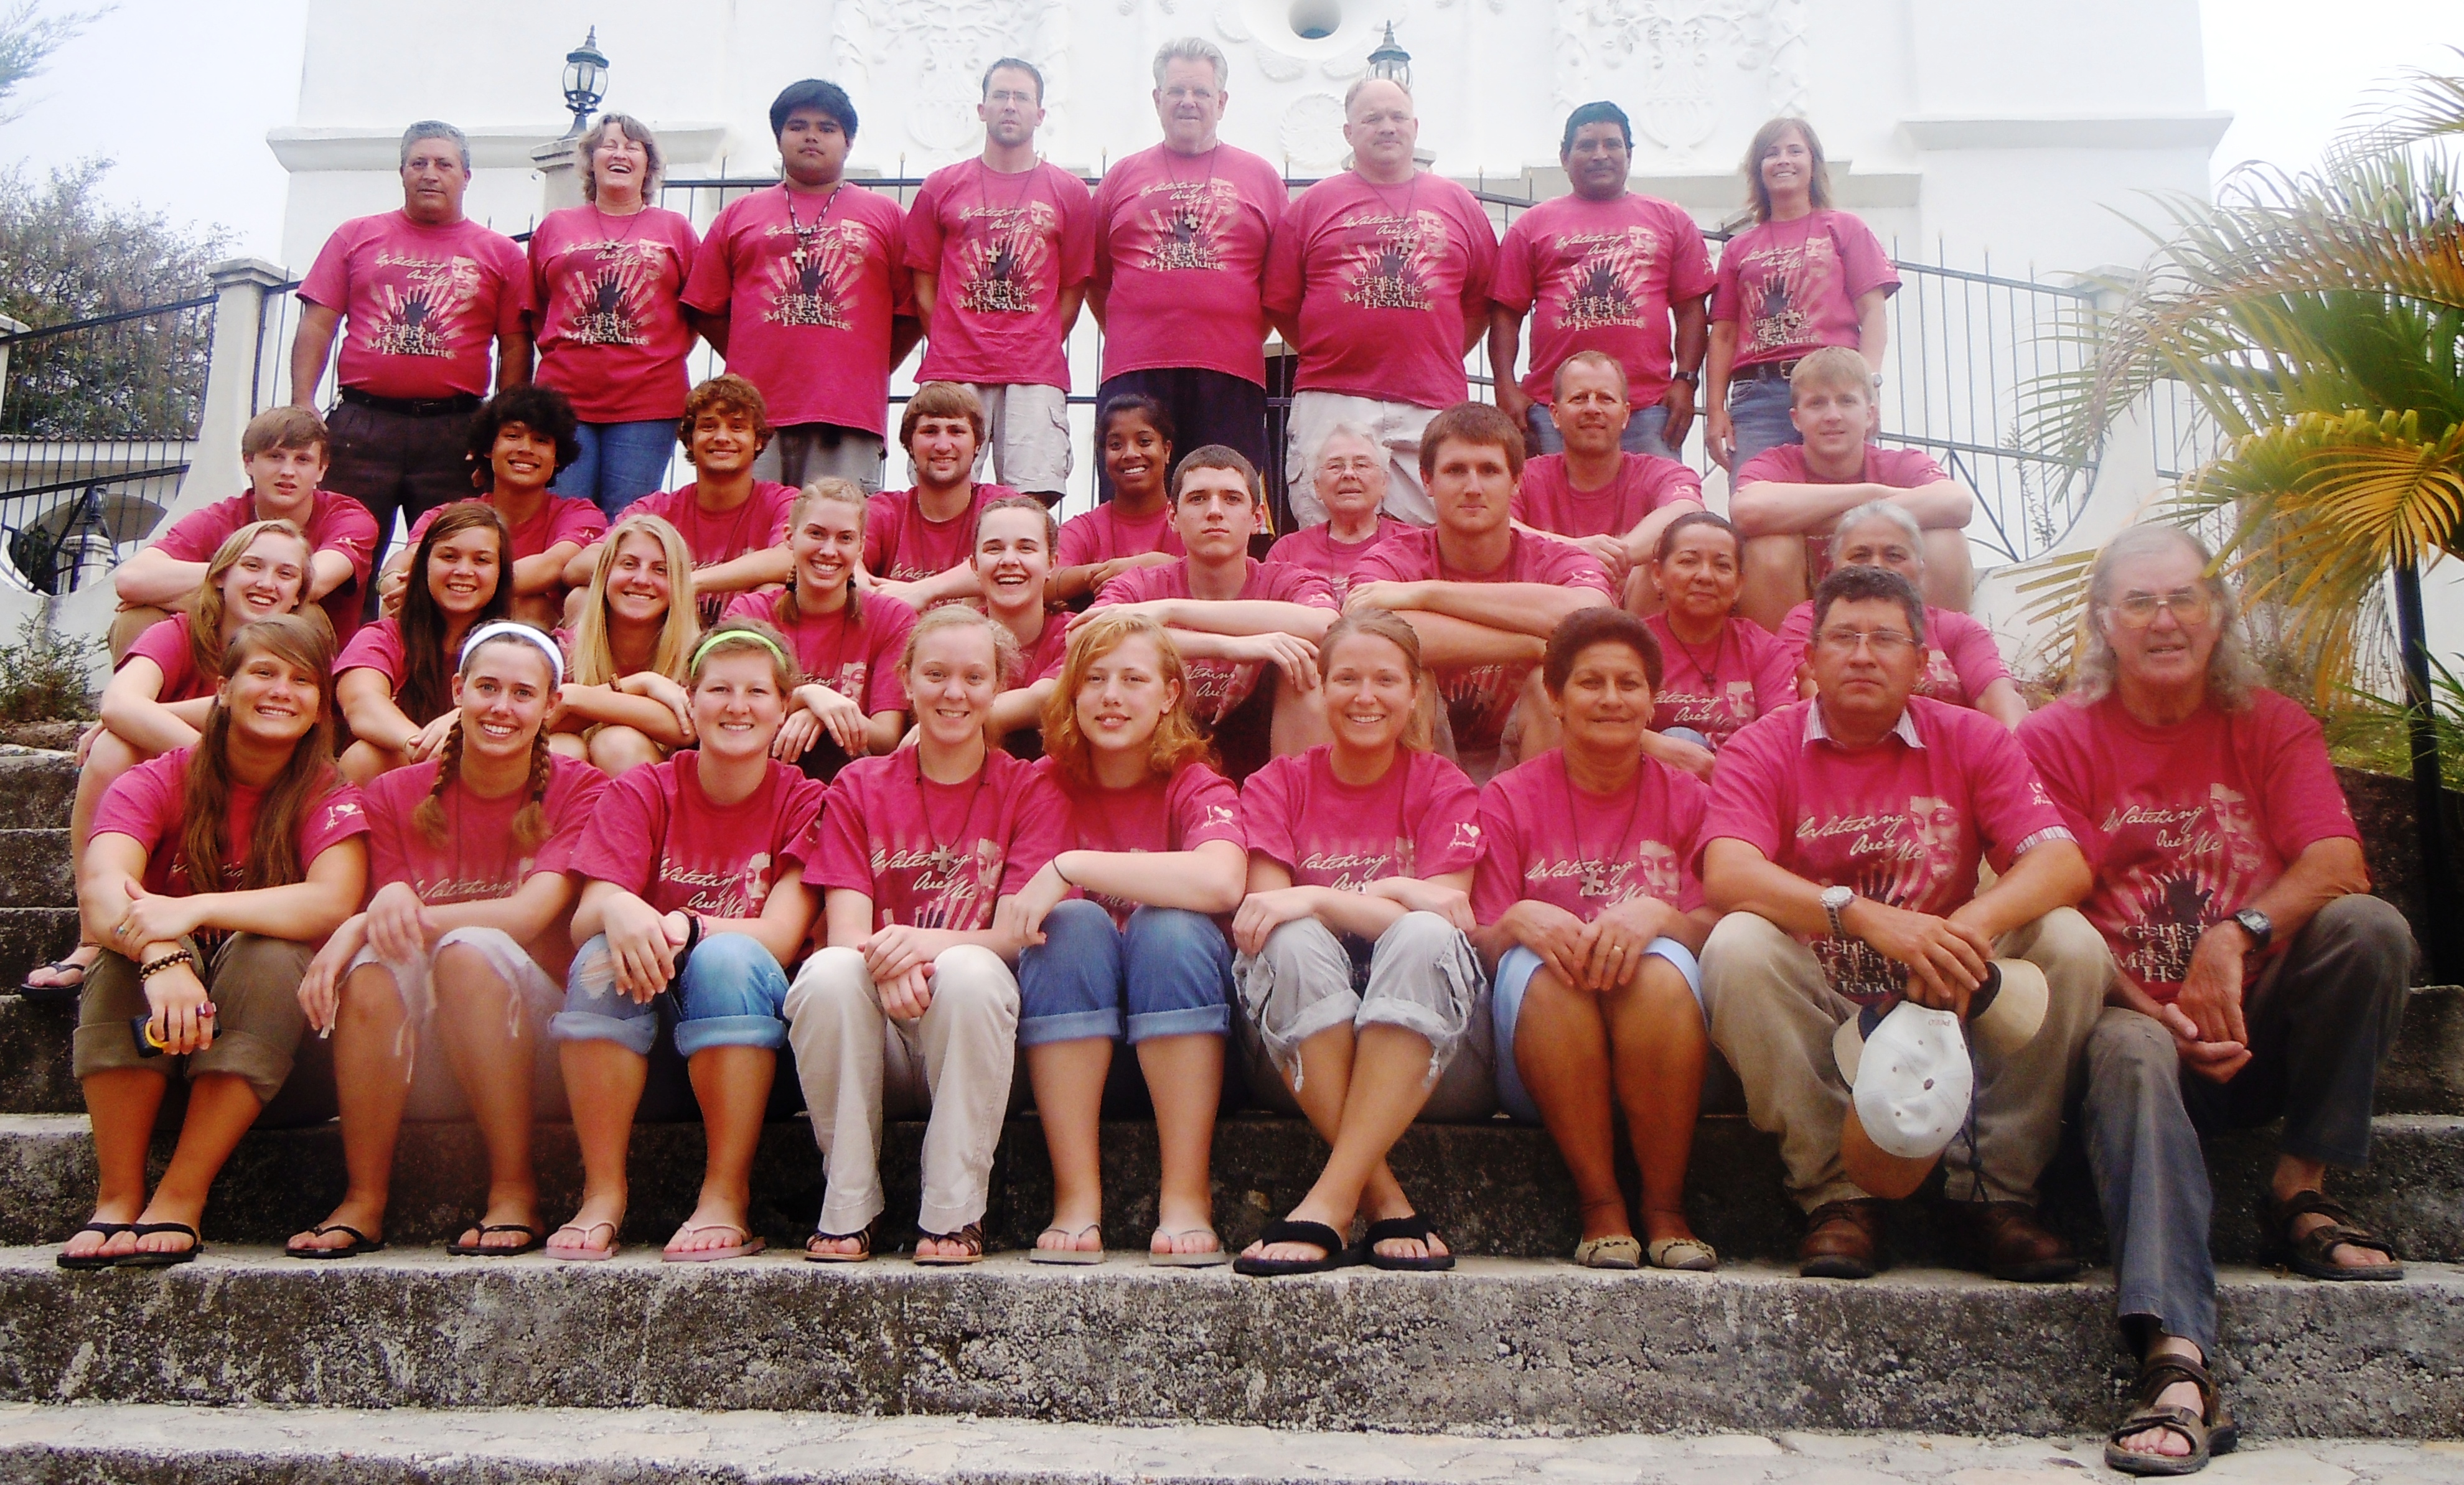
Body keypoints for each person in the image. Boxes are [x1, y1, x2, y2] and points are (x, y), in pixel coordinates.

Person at [2018, 526, 2413, 1476]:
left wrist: (2230, 937)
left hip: (2254, 1029)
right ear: (2102, 624)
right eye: (2138, 603)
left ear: (2218, 612)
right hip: (2125, 1050)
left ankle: (2297, 1191)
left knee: (2369, 928)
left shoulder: (2268, 723)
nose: (2163, 619)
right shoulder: (2053, 739)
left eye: (2183, 597)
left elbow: (2333, 860)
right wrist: (2145, 1004)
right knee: (2127, 1047)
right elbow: (2041, 897)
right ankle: (2174, 1358)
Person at [1697, 564, 2103, 1283]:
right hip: (1823, 998)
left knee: (2070, 940)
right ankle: (1838, 1193)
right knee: (1734, 945)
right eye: (1843, 637)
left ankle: (1991, 1191)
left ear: (1921, 662)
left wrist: (1966, 926)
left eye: (1885, 639)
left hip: (1947, 994)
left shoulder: (1973, 739)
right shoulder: (1761, 746)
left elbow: (2062, 863)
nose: (1862, 655)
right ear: (1808, 659)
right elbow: (1727, 871)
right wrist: (1862, 917)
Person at [56, 614, 368, 1269]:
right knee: (120, 952)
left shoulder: (326, 791)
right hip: (151, 1050)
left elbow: (332, 900)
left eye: (302, 680)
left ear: (319, 706)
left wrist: (192, 907)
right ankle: (117, 1195)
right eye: (264, 672)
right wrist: (161, 955)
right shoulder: (160, 777)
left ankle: (183, 1192)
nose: (282, 690)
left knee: (270, 949)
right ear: (223, 688)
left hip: (274, 1067)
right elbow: (103, 886)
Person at [288, 624, 608, 1259]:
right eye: (486, 687)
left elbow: (525, 914)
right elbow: (395, 931)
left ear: (550, 705)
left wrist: (355, 923)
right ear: (458, 689)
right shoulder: (392, 794)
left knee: (465, 949)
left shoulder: (581, 787)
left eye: (523, 693)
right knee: (374, 972)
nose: (501, 708)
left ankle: (514, 1187)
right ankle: (364, 1197)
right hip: (425, 1047)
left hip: (538, 1043)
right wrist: (371, 923)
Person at [787, 606, 1069, 1263]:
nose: (953, 692)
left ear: (997, 686)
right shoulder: (858, 784)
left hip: (976, 1036)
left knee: (972, 972)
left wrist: (917, 944)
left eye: (974, 676)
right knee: (826, 975)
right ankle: (850, 1205)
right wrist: (894, 959)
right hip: (878, 1036)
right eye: (936, 674)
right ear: (906, 682)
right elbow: (848, 931)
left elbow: (1014, 932)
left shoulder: (1029, 787)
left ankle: (952, 1213)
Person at [546, 619, 827, 1262]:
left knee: (726, 956)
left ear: (783, 707)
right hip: (647, 1046)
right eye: (719, 689)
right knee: (598, 957)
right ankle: (602, 1194)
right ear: (690, 701)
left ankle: (725, 1196)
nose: (736, 706)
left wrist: (689, 925)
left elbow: (782, 936)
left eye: (757, 692)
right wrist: (618, 906)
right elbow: (586, 914)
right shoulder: (643, 787)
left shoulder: (805, 798)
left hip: (761, 1049)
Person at [1230, 609, 1487, 1275]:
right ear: (1320, 687)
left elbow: (1448, 918)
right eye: (1345, 677)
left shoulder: (1443, 786)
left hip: (1431, 1051)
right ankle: (1379, 1195)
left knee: (1422, 933)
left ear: (1414, 693)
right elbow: (1263, 913)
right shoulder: (1278, 784)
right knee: (1289, 938)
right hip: (1293, 1051)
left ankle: (1328, 1200)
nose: (1364, 696)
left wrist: (1319, 896)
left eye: (1384, 680)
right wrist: (1400, 891)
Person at [1474, 609, 1720, 1270]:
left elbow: (1718, 926)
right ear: (1554, 698)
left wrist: (1659, 916)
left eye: (1629, 683)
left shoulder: (1691, 799)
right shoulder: (1506, 798)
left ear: (1651, 699)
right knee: (1545, 966)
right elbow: (1476, 935)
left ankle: (1666, 1206)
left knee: (1661, 965)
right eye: (1589, 683)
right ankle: (1600, 1203)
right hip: (1541, 1049)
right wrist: (1516, 919)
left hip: (1665, 1043)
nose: (1611, 699)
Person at [1002, 611, 1247, 1263]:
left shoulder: (1193, 780)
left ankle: (1186, 1194)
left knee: (1168, 923)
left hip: (1185, 1045)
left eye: (1133, 679)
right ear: (1072, 693)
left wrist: (1074, 865)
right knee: (1072, 924)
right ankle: (1076, 1198)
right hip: (1069, 1049)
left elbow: (1224, 882)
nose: (1111, 697)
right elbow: (1018, 920)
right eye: (1095, 679)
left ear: (1169, 694)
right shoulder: (1044, 782)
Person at [27, 523, 319, 1000]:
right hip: (175, 803)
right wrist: (209, 758)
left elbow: (294, 722)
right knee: (113, 747)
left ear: (297, 596)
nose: (267, 582)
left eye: (286, 574)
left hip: (261, 814)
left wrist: (160, 717)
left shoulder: (298, 654)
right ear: (221, 575)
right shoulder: (181, 633)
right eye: (252, 565)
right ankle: (93, 938)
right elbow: (119, 705)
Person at [291, 121, 535, 591]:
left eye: (444, 164)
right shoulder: (354, 236)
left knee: (451, 563)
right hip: (361, 426)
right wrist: (303, 402)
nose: (430, 174)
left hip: (456, 431)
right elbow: (317, 322)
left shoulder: (502, 255)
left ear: (466, 176)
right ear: (401, 172)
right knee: (343, 560)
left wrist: (500, 429)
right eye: (418, 163)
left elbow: (516, 346)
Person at [1265, 78, 1498, 526]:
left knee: (1434, 532)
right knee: (1330, 528)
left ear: (1414, 127)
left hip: (1429, 400)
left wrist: (1427, 350)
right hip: (1333, 396)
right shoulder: (1312, 205)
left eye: (1396, 117)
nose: (1386, 127)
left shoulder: (1460, 205)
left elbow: (1478, 304)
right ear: (1349, 133)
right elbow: (1280, 302)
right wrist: (1334, 347)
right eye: (1372, 118)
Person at [1344, 402, 1613, 784]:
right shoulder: (1392, 559)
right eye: (1455, 471)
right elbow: (1371, 640)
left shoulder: (1557, 558)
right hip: (1421, 746)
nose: (1473, 487)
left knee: (1547, 681)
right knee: (1404, 673)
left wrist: (1427, 595)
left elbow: (1591, 616)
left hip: (1528, 746)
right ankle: (1424, 824)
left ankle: (1538, 833)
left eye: (1489, 470)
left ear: (1516, 481)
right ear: (1427, 480)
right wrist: (1535, 645)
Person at [683, 82, 917, 493]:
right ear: (778, 139)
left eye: (826, 128)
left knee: (833, 539)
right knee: (752, 542)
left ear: (848, 142)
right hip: (750, 419)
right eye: (797, 126)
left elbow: (912, 313)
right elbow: (706, 306)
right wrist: (754, 355)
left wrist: (864, 366)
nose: (811, 136)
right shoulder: (738, 215)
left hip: (846, 415)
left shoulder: (887, 217)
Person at [1088, 37, 1285, 492]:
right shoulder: (1120, 176)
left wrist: (1229, 329)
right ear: (1158, 99)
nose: (1188, 102)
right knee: (1131, 497)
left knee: (1220, 497)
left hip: (1230, 372)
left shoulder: (1261, 178)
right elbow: (1098, 280)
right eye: (1176, 91)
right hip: (1134, 371)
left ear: (1222, 100)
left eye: (1200, 92)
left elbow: (1278, 285)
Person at [903, 59, 1095, 504]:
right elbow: (923, 283)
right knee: (940, 493)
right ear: (982, 108)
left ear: (1040, 114)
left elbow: (1073, 289)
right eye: (1000, 96)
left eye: (1022, 97)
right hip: (953, 369)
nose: (1010, 106)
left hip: (1034, 369)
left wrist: (1038, 336)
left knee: (1028, 500)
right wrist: (952, 338)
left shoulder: (1068, 192)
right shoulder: (942, 186)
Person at [1090, 446, 1339, 780]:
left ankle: (1288, 813)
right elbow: (1085, 635)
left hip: (1260, 739)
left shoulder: (1287, 580)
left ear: (1257, 518)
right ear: (1172, 517)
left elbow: (1326, 625)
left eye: (1232, 499)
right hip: (1161, 737)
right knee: (1103, 668)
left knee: (1307, 663)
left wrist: (1171, 610)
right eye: (1198, 499)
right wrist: (1229, 646)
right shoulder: (1141, 583)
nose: (1215, 512)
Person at [1489, 102, 1714, 462]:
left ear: (1629, 154)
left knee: (1662, 513)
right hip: (1554, 411)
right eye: (1587, 146)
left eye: (1612, 144)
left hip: (1647, 408)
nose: (1601, 155)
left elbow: (1692, 313)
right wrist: (1506, 388)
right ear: (1564, 157)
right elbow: (1505, 316)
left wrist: (1686, 382)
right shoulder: (1530, 226)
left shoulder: (1671, 221)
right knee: (1551, 514)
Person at [1704, 118, 1898, 477]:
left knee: (1846, 507)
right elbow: (1724, 333)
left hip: (1833, 387)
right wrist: (1715, 410)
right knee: (1758, 505)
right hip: (1758, 396)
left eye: (1795, 151)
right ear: (1757, 169)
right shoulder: (1738, 249)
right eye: (1772, 153)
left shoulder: (1845, 229)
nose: (1784, 161)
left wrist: (1868, 386)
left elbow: (1873, 312)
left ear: (1813, 163)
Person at [530, 113, 701, 517]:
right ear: (591, 159)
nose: (619, 153)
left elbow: (696, 311)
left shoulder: (675, 228)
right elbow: (539, 308)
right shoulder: (556, 225)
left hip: (647, 407)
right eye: (609, 144)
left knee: (626, 523)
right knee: (564, 519)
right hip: (564, 402)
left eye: (632, 146)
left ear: (648, 164)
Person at [109, 406, 376, 656]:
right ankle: (135, 702)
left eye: (303, 460)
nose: (288, 471)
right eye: (275, 457)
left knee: (302, 615)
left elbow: (309, 584)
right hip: (219, 648)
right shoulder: (220, 517)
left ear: (321, 470)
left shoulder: (348, 517)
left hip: (308, 667)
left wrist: (196, 594)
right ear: (248, 463)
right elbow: (131, 580)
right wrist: (245, 588)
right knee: (137, 618)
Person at [1735, 349, 1974, 627]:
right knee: (1770, 549)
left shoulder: (1901, 463)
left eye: (1846, 401)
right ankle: (1783, 666)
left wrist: (1824, 520)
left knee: (1947, 542)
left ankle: (1934, 658)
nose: (1832, 416)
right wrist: (1871, 495)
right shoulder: (1776, 463)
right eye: (1817, 404)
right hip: (1804, 611)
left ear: (1870, 415)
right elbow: (1748, 511)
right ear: (1796, 418)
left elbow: (1958, 504)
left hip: (1894, 608)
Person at [723, 479, 916, 780]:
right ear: (790, 537)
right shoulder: (750, 613)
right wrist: (808, 695)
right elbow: (735, 711)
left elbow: (886, 740)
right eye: (816, 534)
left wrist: (821, 714)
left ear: (861, 547)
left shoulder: (892, 618)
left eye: (845, 539)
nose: (829, 550)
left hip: (849, 779)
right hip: (759, 772)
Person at [1771, 500, 2024, 728]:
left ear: (1921, 569)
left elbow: (1999, 700)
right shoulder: (1807, 622)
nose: (1878, 565)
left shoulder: (1959, 629)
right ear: (1832, 568)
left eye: (1895, 555)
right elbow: (1819, 700)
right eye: (1861, 555)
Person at [568, 375, 795, 625]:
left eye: (737, 427)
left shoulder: (781, 501)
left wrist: (691, 582)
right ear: (689, 439)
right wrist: (657, 580)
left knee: (773, 591)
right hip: (666, 636)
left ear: (759, 440)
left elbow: (793, 558)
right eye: (709, 426)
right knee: (580, 598)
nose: (722, 437)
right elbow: (578, 567)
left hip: (739, 645)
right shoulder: (657, 508)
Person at [385, 385, 602, 627]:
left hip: (532, 639)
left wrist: (461, 587)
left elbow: (553, 566)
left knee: (529, 604)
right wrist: (393, 582)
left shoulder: (579, 514)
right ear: (489, 448)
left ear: (557, 456)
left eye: (541, 440)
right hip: (447, 627)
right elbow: (406, 561)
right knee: (395, 599)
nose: (526, 449)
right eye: (513, 436)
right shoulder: (449, 514)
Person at [1509, 352, 1705, 606]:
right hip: (1549, 616)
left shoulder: (1662, 472)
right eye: (1579, 398)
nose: (1592, 408)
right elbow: (1499, 526)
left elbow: (1686, 512)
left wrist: (1611, 557)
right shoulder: (1523, 476)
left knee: (1659, 563)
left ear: (1625, 415)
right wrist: (1577, 551)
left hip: (1634, 619)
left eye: (1605, 399)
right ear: (1555, 415)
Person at [337, 504, 513, 784]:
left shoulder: (520, 648)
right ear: (423, 565)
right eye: (449, 556)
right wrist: (424, 745)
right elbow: (361, 702)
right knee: (365, 757)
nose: (464, 570)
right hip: (409, 770)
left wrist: (461, 721)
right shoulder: (385, 636)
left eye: (481, 561)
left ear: (501, 573)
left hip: (488, 776)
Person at [1640, 512, 1797, 769]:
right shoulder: (1633, 646)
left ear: (1738, 585)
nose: (1705, 576)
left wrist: (1721, 769)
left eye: (1722, 566)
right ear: (1658, 574)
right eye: (1689, 562)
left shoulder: (1764, 649)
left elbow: (1782, 732)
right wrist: (1658, 746)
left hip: (1743, 779)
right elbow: (1603, 722)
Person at [552, 513, 700, 777]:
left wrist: (573, 699)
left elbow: (685, 728)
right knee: (561, 748)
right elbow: (529, 724)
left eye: (660, 570)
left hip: (668, 798)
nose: (642, 580)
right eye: (629, 564)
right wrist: (641, 684)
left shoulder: (700, 657)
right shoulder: (563, 650)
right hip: (578, 798)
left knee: (617, 744)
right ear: (605, 574)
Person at [864, 383, 1024, 608]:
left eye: (956, 431)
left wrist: (921, 591)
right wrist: (884, 599)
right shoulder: (885, 510)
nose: (942, 446)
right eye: (930, 432)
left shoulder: (1003, 506)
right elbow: (845, 566)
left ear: (978, 443)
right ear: (909, 444)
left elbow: (1019, 564)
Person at [1050, 394, 1184, 604]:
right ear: (1103, 456)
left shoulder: (1191, 521)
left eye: (1144, 442)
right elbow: (1043, 580)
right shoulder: (1087, 528)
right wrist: (1112, 570)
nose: (1131, 453)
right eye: (1116, 445)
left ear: (1167, 451)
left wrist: (1158, 564)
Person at [1264, 424, 1410, 602]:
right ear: (1317, 487)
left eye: (1362, 465)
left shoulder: (1413, 544)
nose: (1349, 474)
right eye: (1336, 466)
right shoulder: (1287, 552)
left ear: (1384, 483)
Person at [975, 496, 1071, 751]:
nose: (1009, 560)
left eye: (1026, 548)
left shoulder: (1076, 635)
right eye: (994, 548)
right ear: (974, 565)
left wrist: (954, 719)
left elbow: (1045, 699)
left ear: (1052, 563)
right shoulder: (950, 637)